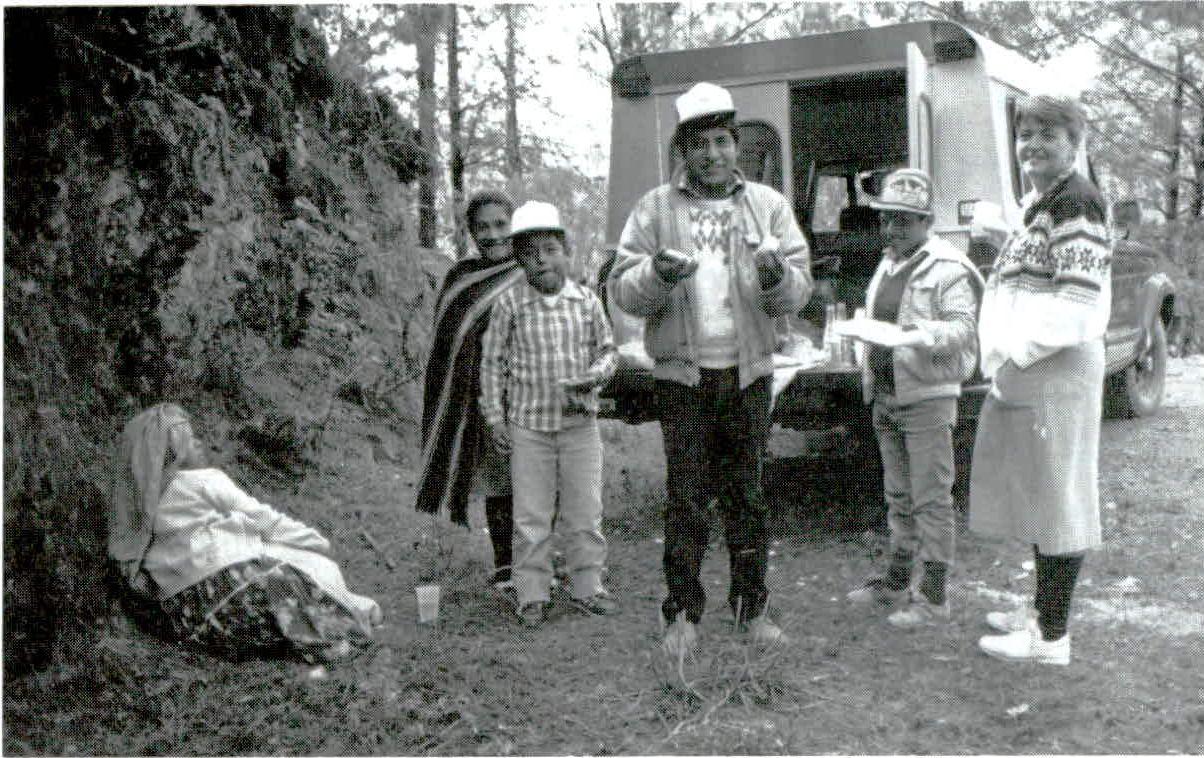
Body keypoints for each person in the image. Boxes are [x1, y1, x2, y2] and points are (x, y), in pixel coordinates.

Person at [608, 82, 813, 655]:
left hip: (748, 374)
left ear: (736, 145)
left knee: (747, 494)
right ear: (682, 150)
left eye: (722, 141)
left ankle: (752, 610)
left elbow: (798, 291)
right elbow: (623, 290)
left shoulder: (768, 206)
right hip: (683, 377)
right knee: (687, 496)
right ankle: (682, 614)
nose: (712, 154)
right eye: (699, 144)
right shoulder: (653, 209)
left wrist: (775, 274)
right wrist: (658, 274)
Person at [970, 93, 1112, 665]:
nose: (1032, 145)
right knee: (1039, 495)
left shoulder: (1077, 201)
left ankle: (1051, 637)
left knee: (1059, 502)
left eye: (1048, 134)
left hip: (1055, 369)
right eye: (1025, 133)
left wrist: (1015, 352)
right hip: (1035, 369)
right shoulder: (1042, 204)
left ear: (1074, 144)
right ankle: (1040, 612)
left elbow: (1078, 303)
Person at [108, 403, 381, 663]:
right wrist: (318, 542)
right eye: (190, 441)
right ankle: (349, 621)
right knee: (305, 572)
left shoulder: (140, 509)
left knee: (282, 562)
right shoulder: (203, 480)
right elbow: (265, 520)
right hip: (229, 591)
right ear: (174, 453)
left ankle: (344, 612)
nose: (200, 443)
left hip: (188, 620)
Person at [843, 168, 984, 627]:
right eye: (886, 218)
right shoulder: (888, 263)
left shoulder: (949, 267)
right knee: (898, 495)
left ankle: (934, 597)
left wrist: (916, 334)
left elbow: (964, 330)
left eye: (904, 220)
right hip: (885, 394)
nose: (892, 228)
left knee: (931, 497)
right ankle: (897, 581)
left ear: (927, 221)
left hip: (927, 397)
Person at [479, 201, 619, 626]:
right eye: (530, 253)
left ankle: (588, 585)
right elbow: (492, 364)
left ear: (567, 252)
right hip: (529, 428)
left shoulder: (586, 301)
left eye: (550, 249)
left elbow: (608, 352)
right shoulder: (510, 305)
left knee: (584, 511)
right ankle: (532, 592)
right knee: (531, 515)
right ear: (519, 260)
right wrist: (495, 418)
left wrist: (594, 376)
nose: (541, 260)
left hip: (580, 427)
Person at [416, 190, 523, 595]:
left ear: (515, 225)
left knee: (542, 480)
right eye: (482, 227)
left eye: (500, 224)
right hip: (486, 401)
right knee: (500, 482)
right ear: (471, 232)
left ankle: (544, 559)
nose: (493, 234)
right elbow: (447, 344)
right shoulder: (461, 278)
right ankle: (506, 565)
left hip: (533, 393)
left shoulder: (532, 270)